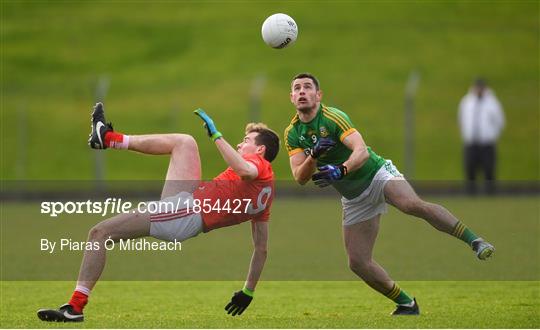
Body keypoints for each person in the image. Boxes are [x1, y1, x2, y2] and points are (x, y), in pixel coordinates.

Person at [37, 103, 280, 322]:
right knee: (184, 142)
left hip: (184, 214)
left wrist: (216, 135)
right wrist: (248, 291)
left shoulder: (258, 166)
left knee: (99, 233)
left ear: (260, 151)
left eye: (246, 140)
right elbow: (261, 248)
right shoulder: (267, 190)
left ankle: (74, 308)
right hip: (187, 205)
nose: (240, 144)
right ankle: (108, 138)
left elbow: (245, 169)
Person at [284, 73, 495, 316]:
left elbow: (361, 151)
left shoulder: (333, 117)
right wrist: (313, 156)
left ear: (318, 95)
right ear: (291, 97)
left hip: (376, 174)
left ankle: (475, 241)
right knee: (358, 263)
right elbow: (300, 177)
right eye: (297, 88)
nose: (302, 92)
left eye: (307, 87)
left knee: (411, 204)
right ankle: (407, 304)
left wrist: (341, 169)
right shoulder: (292, 132)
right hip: (354, 198)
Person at [459, 78, 505, 194]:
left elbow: (499, 121)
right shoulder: (467, 101)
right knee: (470, 169)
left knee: (489, 169)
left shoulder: (492, 102)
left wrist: (492, 135)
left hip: (487, 143)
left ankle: (490, 193)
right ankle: (470, 193)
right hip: (471, 142)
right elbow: (461, 118)